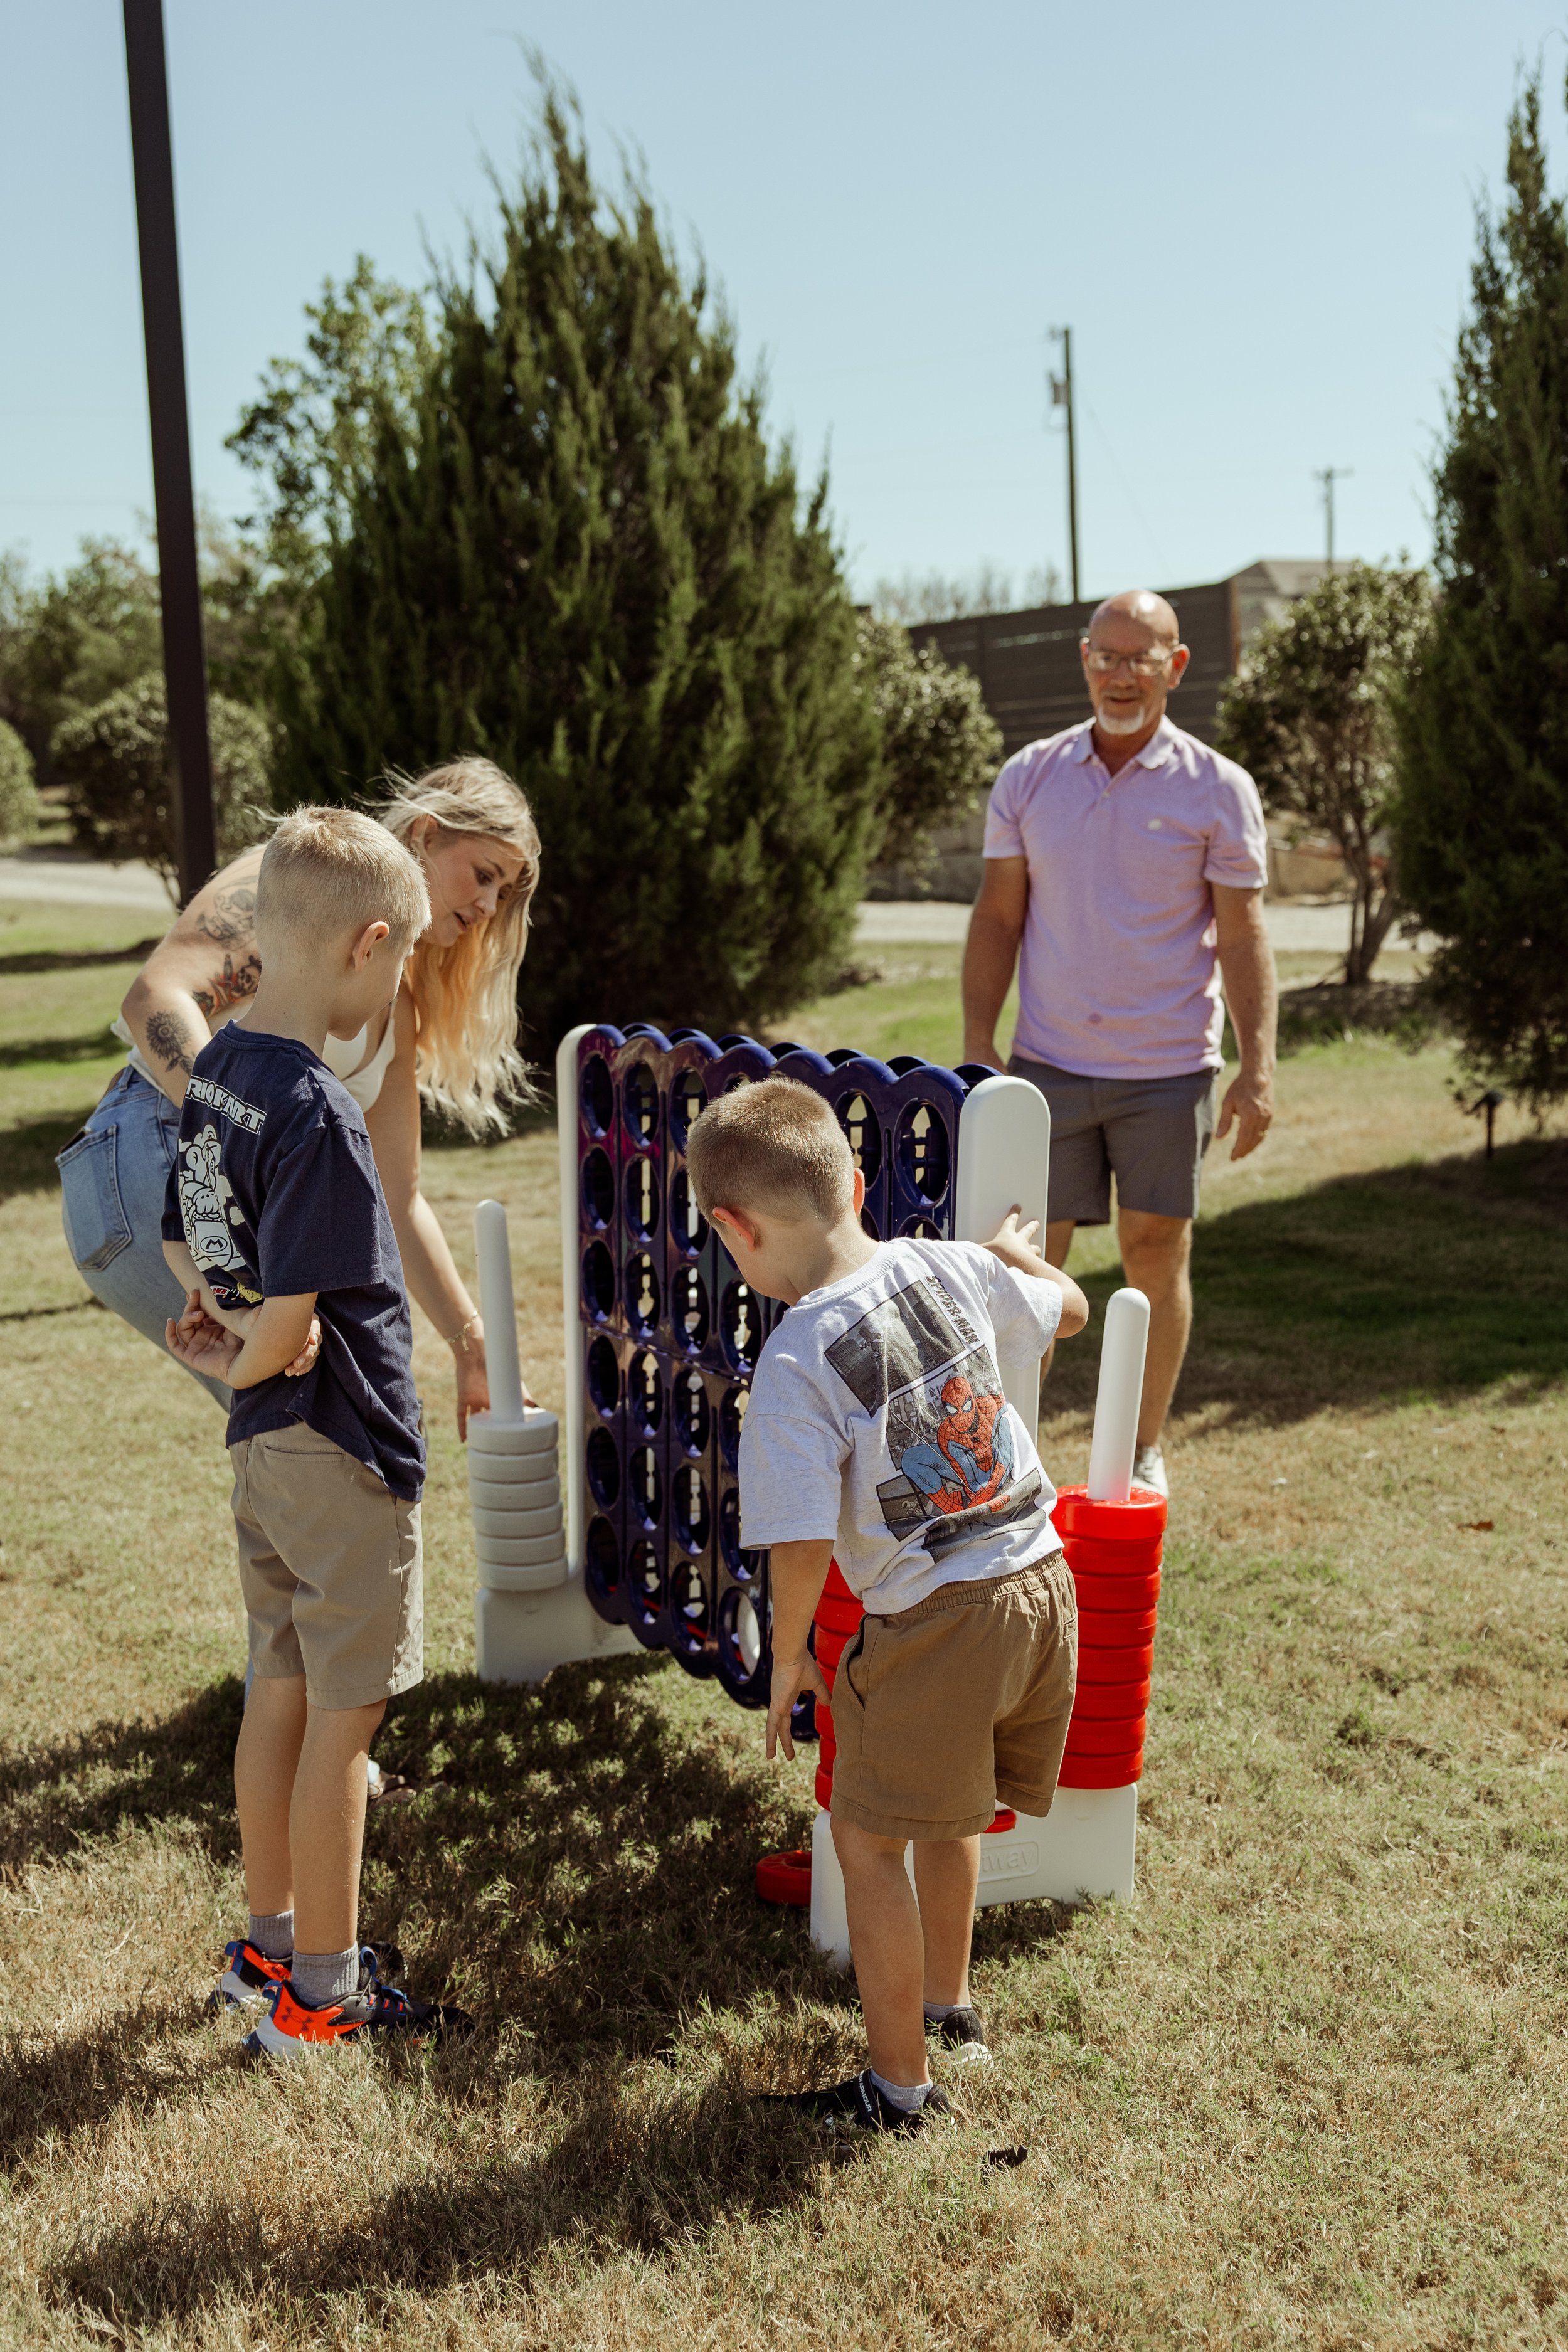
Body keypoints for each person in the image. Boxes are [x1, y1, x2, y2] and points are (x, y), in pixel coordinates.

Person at [686, 1076, 1087, 2132]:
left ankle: (900, 2090)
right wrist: (1011, 1260)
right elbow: (1073, 1310)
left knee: (868, 1843)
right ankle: (951, 2005)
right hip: (1044, 1584)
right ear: (856, 1184)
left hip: (939, 1623)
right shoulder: (950, 1264)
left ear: (736, 1229)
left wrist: (789, 1659)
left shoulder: (793, 1359)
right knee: (950, 1812)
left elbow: (803, 1537)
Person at [162, 807, 469, 2057]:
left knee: (277, 1693)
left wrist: (220, 1331)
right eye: (403, 964)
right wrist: (251, 1346)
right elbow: (296, 1324)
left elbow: (193, 1240)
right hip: (337, 1441)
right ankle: (322, 1996)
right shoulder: (320, 1115)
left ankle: (266, 1944)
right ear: (371, 942)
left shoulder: (222, 1067)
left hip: (265, 1451)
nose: (398, 988)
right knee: (345, 1724)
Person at [59, 758, 540, 1434]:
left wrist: (472, 1344)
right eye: (485, 874)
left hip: (217, 1193)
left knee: (307, 1438)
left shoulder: (389, 1001)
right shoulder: (297, 880)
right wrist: (251, 1129)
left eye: (506, 893)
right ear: (428, 835)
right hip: (151, 1159)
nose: (491, 906)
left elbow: (397, 1199)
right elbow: (157, 998)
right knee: (323, 1428)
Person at [961, 588, 1277, 1499]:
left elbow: (1244, 935)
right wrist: (981, 1042)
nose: (1121, 673)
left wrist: (1257, 1068)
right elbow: (997, 917)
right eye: (1106, 654)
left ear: (1178, 666)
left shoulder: (1218, 787)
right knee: (1025, 1262)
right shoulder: (1030, 775)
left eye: (1142, 657)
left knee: (1154, 1252)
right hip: (1047, 1067)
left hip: (1168, 1068)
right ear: (1084, 658)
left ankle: (1138, 1450)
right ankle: (1008, 1454)